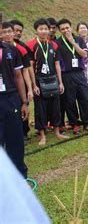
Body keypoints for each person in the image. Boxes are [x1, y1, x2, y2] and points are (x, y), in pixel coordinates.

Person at [27, 18, 68, 146]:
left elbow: (57, 65)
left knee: (55, 107)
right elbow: (30, 67)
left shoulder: (54, 45)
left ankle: (57, 132)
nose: (44, 31)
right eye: (41, 29)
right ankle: (42, 136)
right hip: (39, 79)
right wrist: (34, 85)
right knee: (40, 109)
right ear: (36, 31)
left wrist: (60, 82)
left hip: (52, 79)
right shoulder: (31, 45)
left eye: (46, 28)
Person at [56, 19, 88, 134]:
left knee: (85, 98)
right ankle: (74, 124)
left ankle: (87, 122)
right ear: (60, 30)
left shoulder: (79, 39)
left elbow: (84, 55)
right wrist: (60, 81)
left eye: (67, 28)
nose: (65, 30)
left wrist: (72, 42)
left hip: (79, 72)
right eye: (62, 29)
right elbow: (57, 63)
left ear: (71, 27)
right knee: (70, 100)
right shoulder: (58, 43)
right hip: (66, 74)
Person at [0, 22, 29, 178]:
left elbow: (18, 77)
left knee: (15, 140)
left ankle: (20, 176)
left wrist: (24, 102)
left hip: (11, 99)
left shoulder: (11, 50)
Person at [8, 20, 34, 138]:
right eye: (15, 30)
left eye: (20, 31)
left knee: (23, 108)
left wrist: (30, 88)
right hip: (6, 86)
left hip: (20, 84)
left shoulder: (22, 47)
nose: (17, 33)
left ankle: (24, 132)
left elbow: (26, 70)